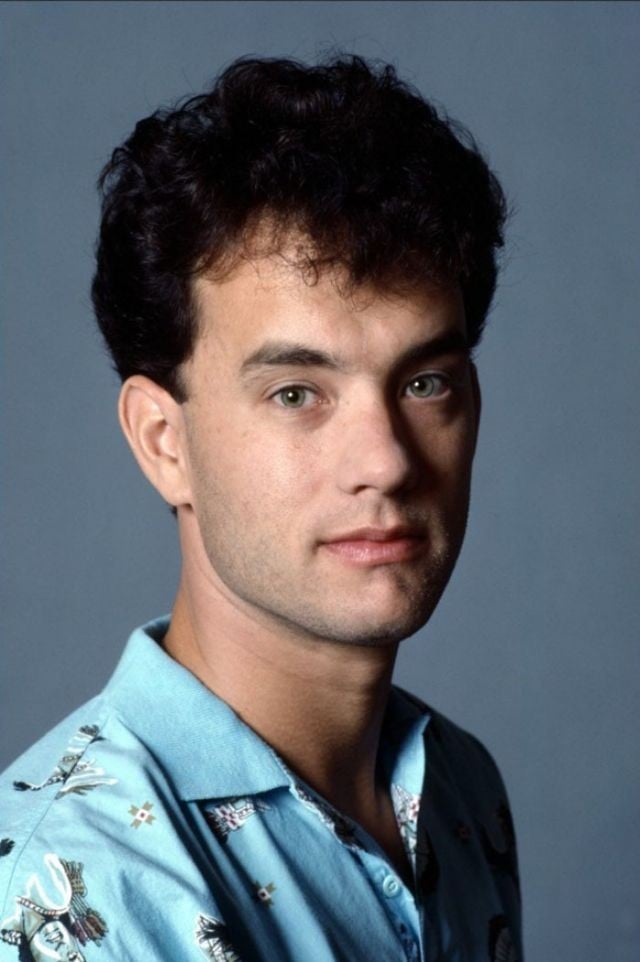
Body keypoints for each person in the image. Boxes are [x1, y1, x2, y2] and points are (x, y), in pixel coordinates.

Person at [0, 55, 522, 962]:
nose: (386, 462)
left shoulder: (462, 794)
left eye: (425, 382)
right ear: (165, 442)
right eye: (295, 393)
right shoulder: (70, 891)